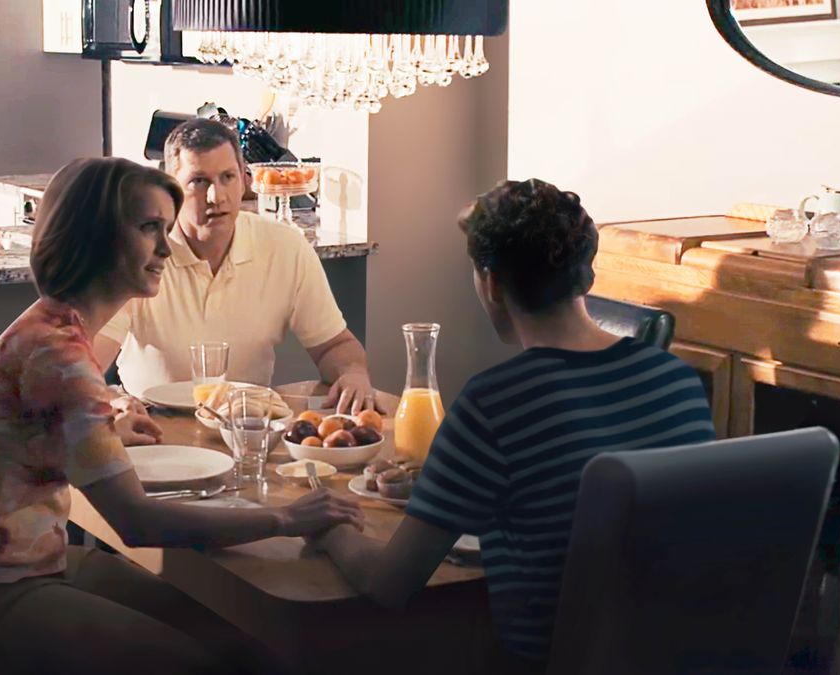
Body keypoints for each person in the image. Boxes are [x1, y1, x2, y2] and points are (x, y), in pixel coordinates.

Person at [0, 157, 364, 675]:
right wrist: (285, 519)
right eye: (150, 229)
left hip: (30, 563)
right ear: (97, 236)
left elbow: (51, 434)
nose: (167, 249)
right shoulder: (60, 359)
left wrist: (105, 429)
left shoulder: (55, 331)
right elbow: (137, 521)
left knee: (235, 635)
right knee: (204, 662)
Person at [307, 179, 716, 673]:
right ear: (586, 276)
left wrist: (330, 530)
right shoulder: (677, 381)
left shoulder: (495, 403)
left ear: (491, 283)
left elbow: (391, 584)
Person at [93, 118, 382, 415]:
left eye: (227, 177)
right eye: (199, 181)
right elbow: (85, 363)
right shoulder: (139, 252)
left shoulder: (285, 247)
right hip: (153, 424)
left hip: (247, 424)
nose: (216, 196)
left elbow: (335, 346)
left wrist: (353, 374)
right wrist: (113, 399)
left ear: (245, 181)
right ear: (171, 188)